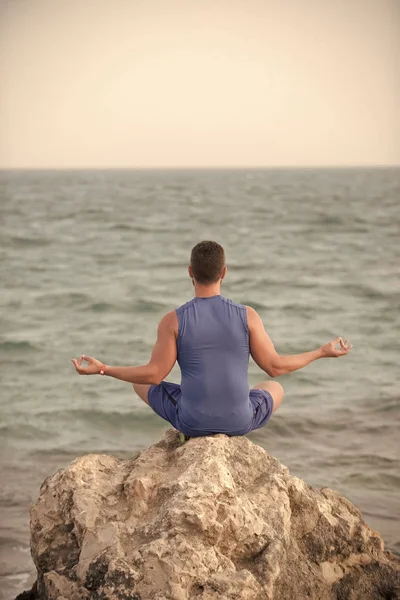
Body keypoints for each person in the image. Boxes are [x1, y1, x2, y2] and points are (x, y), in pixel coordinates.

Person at [72, 240, 352, 438]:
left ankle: (191, 433)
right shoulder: (248, 315)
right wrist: (321, 352)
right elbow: (276, 366)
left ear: (190, 272)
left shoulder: (174, 320)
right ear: (224, 273)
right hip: (240, 422)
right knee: (273, 387)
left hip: (192, 423)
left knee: (138, 382)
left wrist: (103, 369)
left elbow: (154, 375)